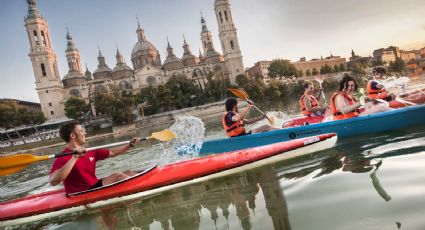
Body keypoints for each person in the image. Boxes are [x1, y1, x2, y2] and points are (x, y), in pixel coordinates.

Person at [49, 121, 140, 194]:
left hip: (94, 186)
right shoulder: (62, 158)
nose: (85, 133)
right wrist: (75, 157)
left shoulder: (90, 151)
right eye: (81, 131)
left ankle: (145, 185)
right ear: (73, 135)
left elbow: (112, 152)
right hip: (81, 193)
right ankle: (141, 190)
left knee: (130, 172)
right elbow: (53, 181)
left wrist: (130, 145)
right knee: (118, 176)